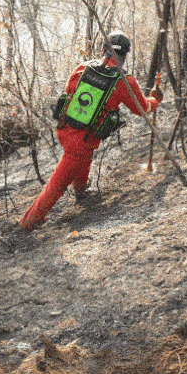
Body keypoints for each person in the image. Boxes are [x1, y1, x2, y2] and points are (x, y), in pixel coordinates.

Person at [19, 31, 162, 231]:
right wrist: (155, 100)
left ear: (104, 50)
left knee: (84, 157)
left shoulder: (83, 67)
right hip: (83, 140)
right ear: (125, 55)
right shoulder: (124, 81)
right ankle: (28, 223)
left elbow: (69, 92)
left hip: (64, 130)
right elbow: (142, 109)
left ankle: (81, 191)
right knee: (56, 185)